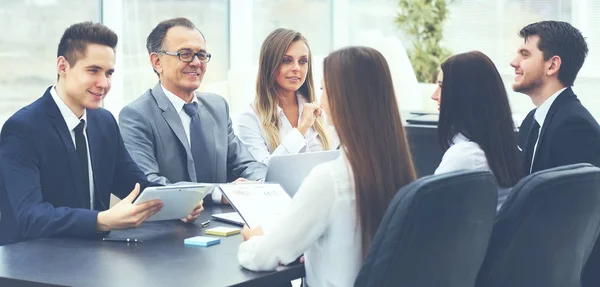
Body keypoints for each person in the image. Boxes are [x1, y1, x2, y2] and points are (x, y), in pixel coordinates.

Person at [0, 22, 203, 246]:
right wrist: (100, 220)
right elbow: (30, 217)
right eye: (93, 70)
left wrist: (178, 204)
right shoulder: (22, 129)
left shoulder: (103, 121)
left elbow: (135, 185)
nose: (104, 83)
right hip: (33, 264)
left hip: (92, 255)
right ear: (63, 66)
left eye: (109, 73)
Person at [237, 46, 416, 286]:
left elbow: (263, 256)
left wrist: (252, 240)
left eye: (323, 89)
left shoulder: (331, 179)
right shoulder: (398, 169)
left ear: (342, 98)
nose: (319, 98)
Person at [119, 18, 266, 204]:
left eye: (202, 55)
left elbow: (246, 164)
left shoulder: (217, 107)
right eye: (185, 54)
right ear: (157, 62)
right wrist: (216, 193)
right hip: (170, 225)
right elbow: (148, 184)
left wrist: (259, 183)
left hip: (225, 221)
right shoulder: (137, 115)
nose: (196, 62)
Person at [511, 21, 600, 175]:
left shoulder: (575, 126)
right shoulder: (532, 120)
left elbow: (571, 196)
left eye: (525, 55)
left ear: (552, 65)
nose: (513, 63)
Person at [235, 28, 335, 164]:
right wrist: (302, 129)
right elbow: (264, 171)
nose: (296, 68)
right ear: (270, 65)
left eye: (303, 61)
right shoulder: (250, 118)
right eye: (286, 60)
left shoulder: (319, 111)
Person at [431, 51, 522, 188]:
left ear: (464, 95)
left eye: (442, 86)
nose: (434, 95)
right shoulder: (506, 149)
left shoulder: (465, 156)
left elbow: (427, 207)